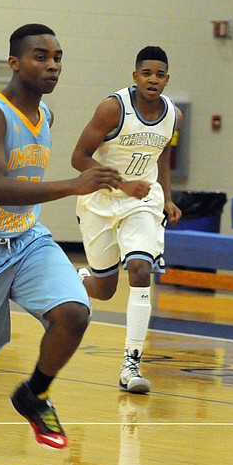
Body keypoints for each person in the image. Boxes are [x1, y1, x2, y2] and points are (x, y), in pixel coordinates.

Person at [0, 24, 123, 465]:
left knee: (73, 312)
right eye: (40, 56)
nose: (51, 65)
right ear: (15, 62)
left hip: (26, 239)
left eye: (57, 57)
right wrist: (74, 185)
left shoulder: (45, 115)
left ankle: (34, 393)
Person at [72, 46, 182, 394]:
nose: (153, 79)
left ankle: (131, 363)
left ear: (167, 79)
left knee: (140, 270)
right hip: (101, 201)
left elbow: (162, 153)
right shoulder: (112, 108)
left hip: (142, 201)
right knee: (105, 291)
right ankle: (78, 281)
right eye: (146, 73)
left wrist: (165, 196)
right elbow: (79, 157)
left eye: (160, 74)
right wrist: (121, 184)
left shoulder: (173, 115)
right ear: (135, 76)